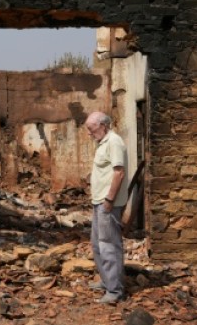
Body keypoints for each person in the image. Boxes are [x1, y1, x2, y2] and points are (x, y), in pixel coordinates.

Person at [85, 111, 128, 305]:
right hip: (99, 202)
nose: (89, 133)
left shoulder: (114, 141)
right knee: (97, 244)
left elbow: (119, 172)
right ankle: (106, 281)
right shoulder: (103, 143)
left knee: (109, 246)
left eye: (91, 129)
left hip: (107, 203)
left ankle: (115, 290)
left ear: (103, 125)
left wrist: (109, 199)